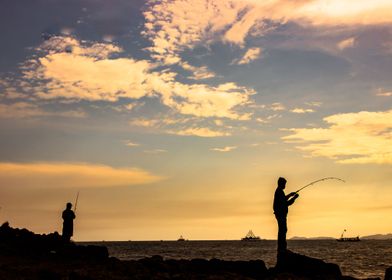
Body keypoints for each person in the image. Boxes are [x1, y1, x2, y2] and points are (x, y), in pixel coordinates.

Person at [273, 177, 299, 257]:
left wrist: (290, 194)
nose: (285, 185)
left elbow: (284, 199)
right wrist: (294, 198)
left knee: (282, 230)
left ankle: (282, 248)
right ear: (281, 184)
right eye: (284, 184)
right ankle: (282, 248)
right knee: (282, 230)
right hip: (280, 214)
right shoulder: (279, 192)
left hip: (280, 214)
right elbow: (286, 203)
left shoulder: (279, 191)